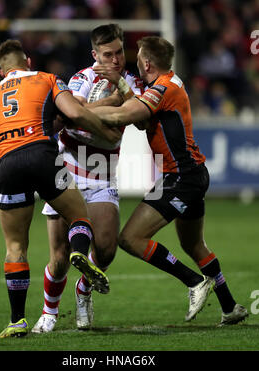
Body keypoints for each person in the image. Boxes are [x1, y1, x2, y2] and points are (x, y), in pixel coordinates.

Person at [91, 36, 248, 326]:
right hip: (191, 174)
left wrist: (77, 112)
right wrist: (121, 84)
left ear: (146, 62)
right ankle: (230, 307)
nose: (134, 61)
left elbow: (124, 115)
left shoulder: (163, 88)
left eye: (138, 57)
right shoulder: (165, 84)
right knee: (194, 246)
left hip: (181, 178)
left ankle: (193, 282)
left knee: (130, 238)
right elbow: (141, 120)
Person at [0, 39, 121, 338]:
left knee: (15, 247)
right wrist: (105, 132)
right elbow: (75, 112)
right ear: (29, 62)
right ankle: (79, 253)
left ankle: (17, 320)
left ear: (1, 72)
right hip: (42, 156)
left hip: (6, 163)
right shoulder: (45, 78)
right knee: (78, 216)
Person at [32, 24, 146, 333]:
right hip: (65, 171)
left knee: (106, 249)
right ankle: (49, 313)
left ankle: (84, 290)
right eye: (108, 54)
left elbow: (138, 115)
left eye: (120, 52)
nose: (116, 60)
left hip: (102, 174)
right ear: (95, 54)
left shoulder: (132, 82)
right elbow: (71, 113)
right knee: (60, 257)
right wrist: (110, 108)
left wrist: (96, 109)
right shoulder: (81, 79)